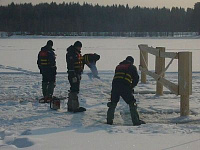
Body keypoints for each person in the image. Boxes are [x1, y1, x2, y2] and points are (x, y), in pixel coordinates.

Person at [107, 56, 145, 126]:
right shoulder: (132, 67)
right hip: (124, 87)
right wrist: (131, 87)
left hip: (115, 86)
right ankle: (136, 121)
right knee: (132, 103)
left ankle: (109, 121)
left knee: (113, 103)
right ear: (132, 62)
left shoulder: (118, 66)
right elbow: (136, 79)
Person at [66, 41, 86, 112]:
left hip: (77, 73)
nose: (80, 48)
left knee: (73, 89)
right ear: (76, 46)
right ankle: (75, 107)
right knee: (75, 90)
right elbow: (70, 65)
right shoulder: (72, 54)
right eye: (79, 47)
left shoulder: (77, 53)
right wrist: (73, 75)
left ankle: (70, 106)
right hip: (73, 74)